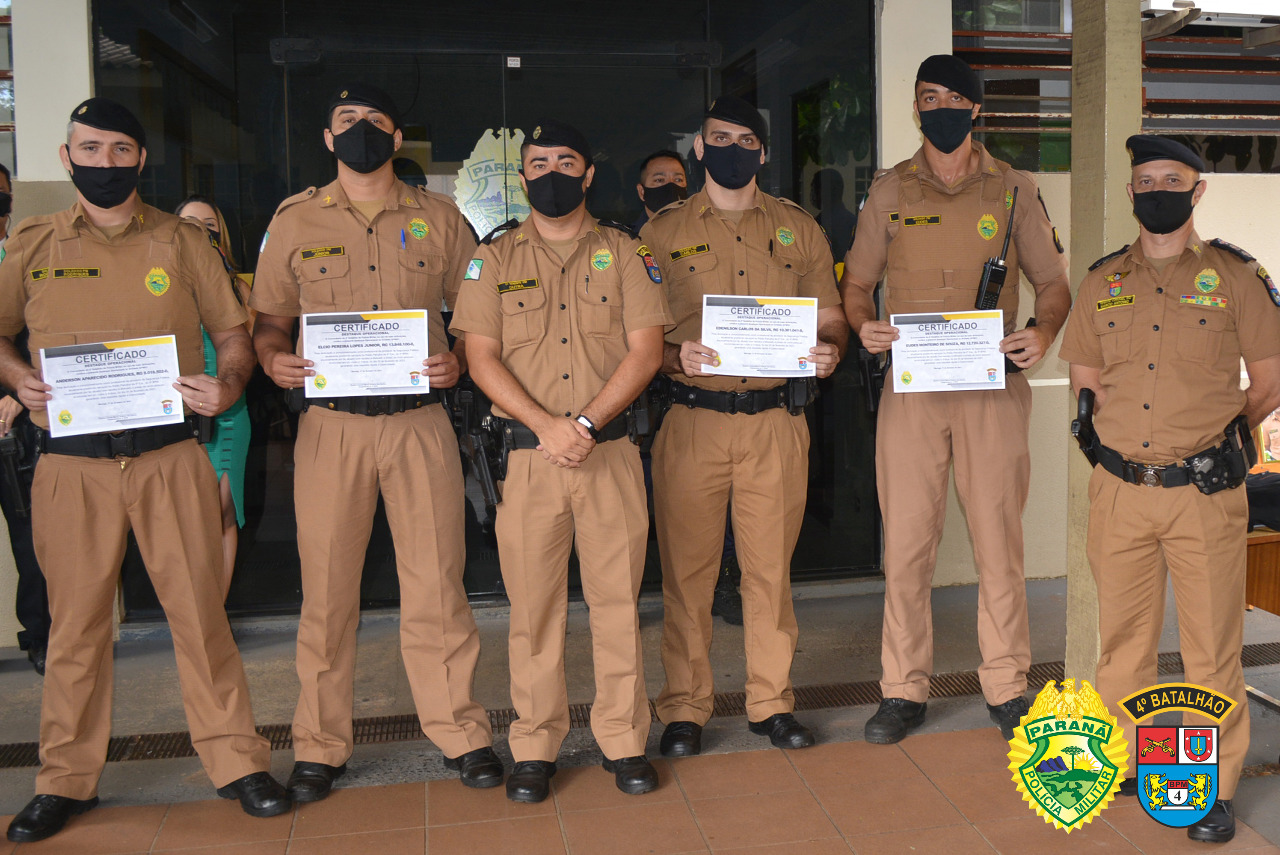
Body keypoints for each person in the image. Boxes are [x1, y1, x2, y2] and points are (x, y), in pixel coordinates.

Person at [0, 98, 288, 843]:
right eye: (89, 148)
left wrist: (227, 384)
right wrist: (14, 377)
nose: (104, 162)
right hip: (71, 469)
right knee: (75, 630)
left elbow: (233, 334)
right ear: (67, 158)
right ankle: (66, 778)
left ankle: (236, 761)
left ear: (139, 159)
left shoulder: (182, 241)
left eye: (119, 149)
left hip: (169, 458)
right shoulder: (32, 243)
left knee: (200, 616)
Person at [251, 84, 500, 801]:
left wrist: (457, 359)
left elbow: (475, 315)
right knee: (327, 593)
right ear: (328, 140)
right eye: (347, 123)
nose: (362, 132)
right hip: (331, 428)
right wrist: (273, 360)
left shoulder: (441, 219)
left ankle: (460, 730)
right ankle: (320, 745)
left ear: (398, 138)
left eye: (376, 123)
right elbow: (268, 320)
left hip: (421, 422)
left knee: (437, 584)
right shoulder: (294, 221)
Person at [841, 55, 1071, 744]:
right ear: (917, 111)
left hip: (991, 391)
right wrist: (861, 325)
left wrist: (1042, 330)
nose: (938, 106)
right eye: (926, 97)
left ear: (975, 109)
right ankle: (903, 690)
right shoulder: (888, 191)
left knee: (999, 544)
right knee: (907, 547)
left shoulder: (1013, 190)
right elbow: (856, 286)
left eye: (951, 97)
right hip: (912, 393)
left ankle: (1006, 687)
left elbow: (1053, 283)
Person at [1060, 134, 1280, 844]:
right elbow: (1086, 381)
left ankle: (1208, 788)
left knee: (1210, 647)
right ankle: (1125, 757)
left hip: (1203, 492)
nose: (1158, 189)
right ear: (1131, 193)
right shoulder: (1100, 281)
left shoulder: (1238, 277)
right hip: (1120, 488)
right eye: (1146, 179)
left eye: (1172, 178)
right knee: (1121, 640)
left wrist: (1226, 436)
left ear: (1196, 190)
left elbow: (1270, 375)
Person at [451, 118, 671, 803]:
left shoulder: (626, 252)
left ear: (588, 174)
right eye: (538, 162)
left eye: (564, 161)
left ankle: (623, 739)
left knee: (616, 605)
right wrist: (548, 425)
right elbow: (477, 356)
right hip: (528, 459)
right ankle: (535, 743)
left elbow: (646, 349)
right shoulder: (494, 260)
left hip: (607, 456)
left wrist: (583, 422)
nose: (551, 172)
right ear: (522, 177)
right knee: (533, 611)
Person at [640, 96, 846, 758]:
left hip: (774, 423)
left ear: (762, 152)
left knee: (768, 572)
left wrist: (832, 348)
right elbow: (633, 335)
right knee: (688, 575)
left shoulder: (798, 227)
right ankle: (686, 707)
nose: (732, 148)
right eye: (718, 137)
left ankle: (771, 701)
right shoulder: (659, 234)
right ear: (699, 149)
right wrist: (674, 354)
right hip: (692, 420)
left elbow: (831, 315)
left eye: (745, 139)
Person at [175, 195, 250, 596]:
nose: (201, 231)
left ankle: (215, 616)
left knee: (224, 512)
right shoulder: (160, 284)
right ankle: (196, 615)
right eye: (189, 224)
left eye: (210, 224)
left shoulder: (237, 285)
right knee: (191, 518)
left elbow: (251, 346)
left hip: (228, 412)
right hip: (176, 413)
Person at [0, 162, 51, 675]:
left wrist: (18, 387)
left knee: (31, 537)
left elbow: (46, 338)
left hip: (14, 427)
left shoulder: (21, 260)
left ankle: (41, 636)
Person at [633, 149, 688, 230]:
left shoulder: (700, 233)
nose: (671, 186)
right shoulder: (628, 240)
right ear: (642, 192)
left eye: (678, 180)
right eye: (659, 180)